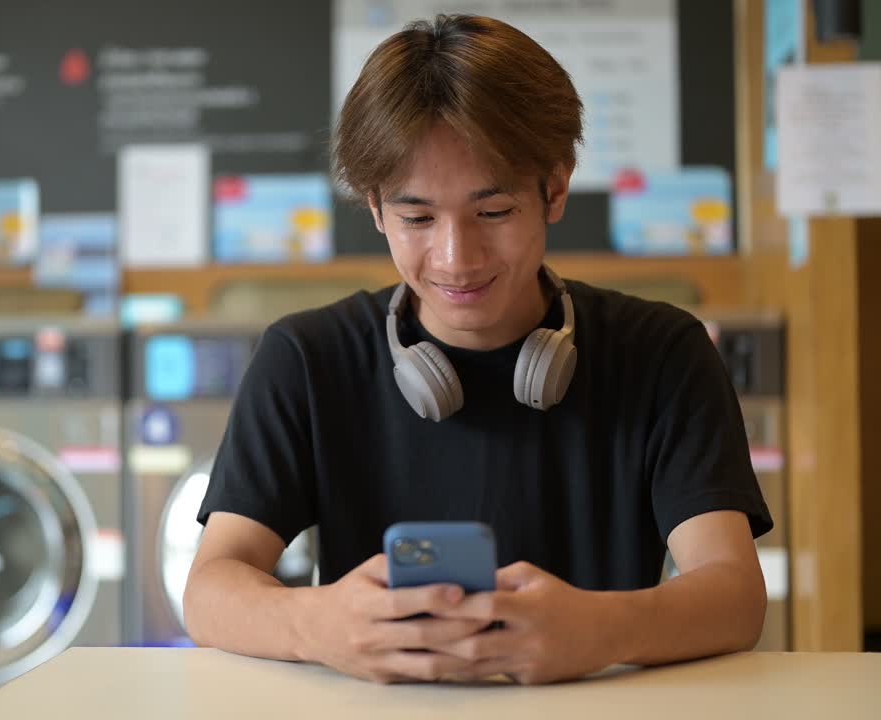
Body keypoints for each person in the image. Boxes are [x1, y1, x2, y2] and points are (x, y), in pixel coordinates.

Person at [183, 14, 771, 685]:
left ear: (554, 188)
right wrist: (317, 624)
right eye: (417, 218)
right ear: (375, 208)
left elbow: (734, 595)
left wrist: (598, 630)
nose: (457, 259)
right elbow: (210, 589)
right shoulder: (306, 358)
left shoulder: (662, 353)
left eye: (493, 212)